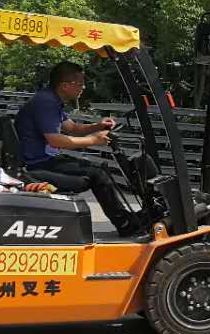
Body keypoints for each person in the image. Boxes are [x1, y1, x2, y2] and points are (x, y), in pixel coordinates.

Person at [14, 62, 142, 235]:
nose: (83, 87)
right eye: (80, 83)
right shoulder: (46, 102)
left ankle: (125, 219)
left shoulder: (51, 99)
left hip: (44, 159)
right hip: (38, 164)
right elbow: (55, 140)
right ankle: (125, 223)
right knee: (98, 174)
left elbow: (72, 128)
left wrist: (98, 126)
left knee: (95, 169)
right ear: (65, 85)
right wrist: (93, 140)